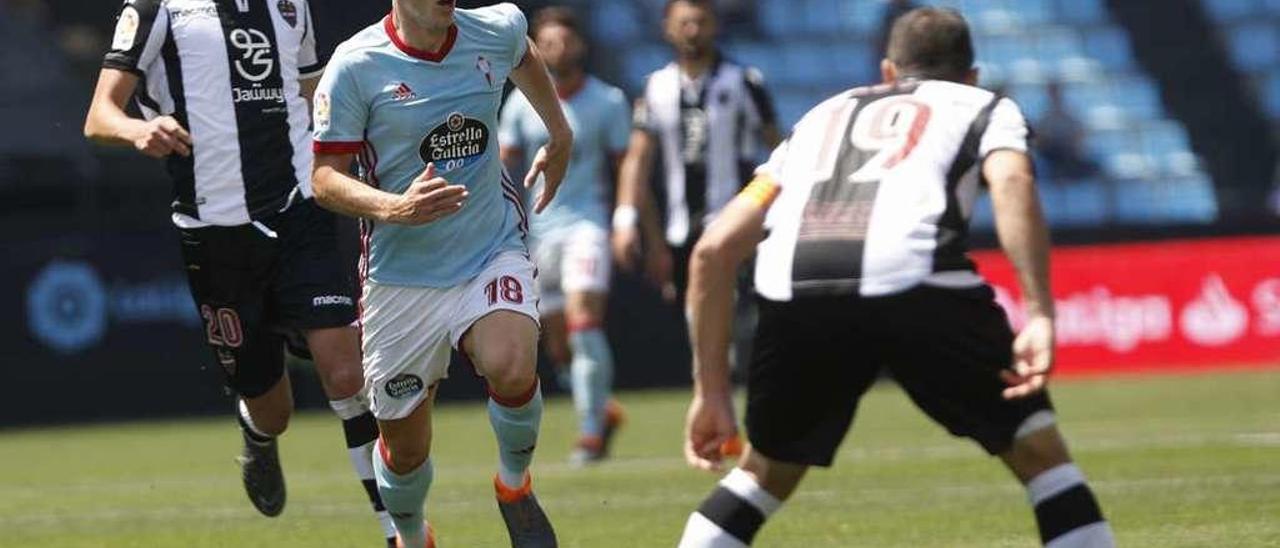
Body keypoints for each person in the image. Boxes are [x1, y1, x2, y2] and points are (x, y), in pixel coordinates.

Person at [676, 8, 1115, 547]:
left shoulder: (821, 117)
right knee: (1041, 457)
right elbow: (1013, 181)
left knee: (764, 473)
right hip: (913, 278)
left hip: (798, 288)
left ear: (887, 71)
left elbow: (713, 251)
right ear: (971, 75)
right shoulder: (986, 105)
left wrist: (711, 392)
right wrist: (1042, 313)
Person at [82, 0, 396, 544]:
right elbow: (98, 116)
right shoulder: (156, 9)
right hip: (216, 232)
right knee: (273, 409)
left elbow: (309, 93)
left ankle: (397, 528)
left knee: (346, 374)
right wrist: (138, 131)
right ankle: (257, 433)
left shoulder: (291, 6)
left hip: (300, 210)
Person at [310, 1, 571, 546]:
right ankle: (410, 534)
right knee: (406, 453)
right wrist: (394, 208)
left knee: (512, 364)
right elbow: (325, 179)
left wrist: (559, 132)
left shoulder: (495, 28)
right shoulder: (356, 65)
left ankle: (514, 485)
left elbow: (523, 60)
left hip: (488, 247)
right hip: (401, 280)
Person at [499, 7, 630, 467]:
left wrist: (629, 220)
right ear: (536, 48)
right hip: (538, 233)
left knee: (583, 322)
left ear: (581, 45)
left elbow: (627, 167)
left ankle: (590, 434)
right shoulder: (520, 102)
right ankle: (601, 408)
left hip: (586, 227)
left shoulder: (608, 101)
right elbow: (501, 167)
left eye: (566, 41)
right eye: (548, 42)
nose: (558, 49)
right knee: (557, 346)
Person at [613, 0, 780, 304]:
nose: (692, 31)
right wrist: (625, 220)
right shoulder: (656, 87)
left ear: (714, 26)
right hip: (679, 232)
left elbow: (778, 150)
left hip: (734, 225)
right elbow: (637, 160)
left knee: (735, 322)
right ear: (668, 29)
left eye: (701, 22)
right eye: (684, 23)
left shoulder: (745, 82)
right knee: (691, 328)